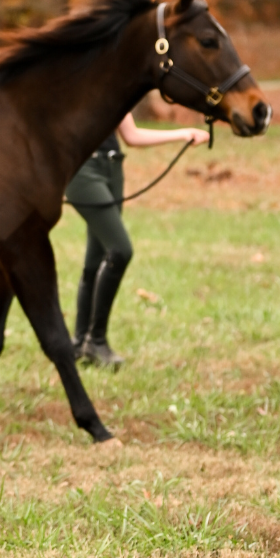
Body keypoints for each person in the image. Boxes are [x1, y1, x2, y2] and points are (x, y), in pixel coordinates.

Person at [68, 111, 208, 368]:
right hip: (82, 170)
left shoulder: (113, 88)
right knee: (120, 250)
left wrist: (183, 133)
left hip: (112, 168)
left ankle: (80, 342)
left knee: (96, 257)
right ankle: (96, 341)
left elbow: (131, 135)